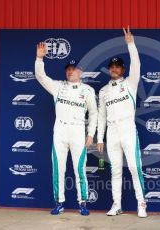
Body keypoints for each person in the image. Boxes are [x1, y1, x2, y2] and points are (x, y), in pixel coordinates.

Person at [35, 42, 98, 216]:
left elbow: (93, 114)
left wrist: (91, 134)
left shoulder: (88, 90)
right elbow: (40, 77)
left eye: (74, 69)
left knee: (80, 170)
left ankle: (83, 203)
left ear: (81, 72)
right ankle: (59, 203)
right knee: (58, 169)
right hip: (60, 132)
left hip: (78, 132)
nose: (70, 71)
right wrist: (40, 58)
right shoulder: (58, 86)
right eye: (68, 69)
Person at [97, 26, 147, 218]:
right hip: (111, 131)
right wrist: (100, 138)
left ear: (123, 69)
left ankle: (141, 203)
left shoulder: (130, 83)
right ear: (109, 70)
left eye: (118, 66)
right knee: (115, 170)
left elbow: (137, 64)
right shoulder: (103, 91)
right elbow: (101, 116)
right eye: (112, 67)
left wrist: (131, 44)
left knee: (135, 168)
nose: (115, 69)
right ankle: (116, 204)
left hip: (127, 128)